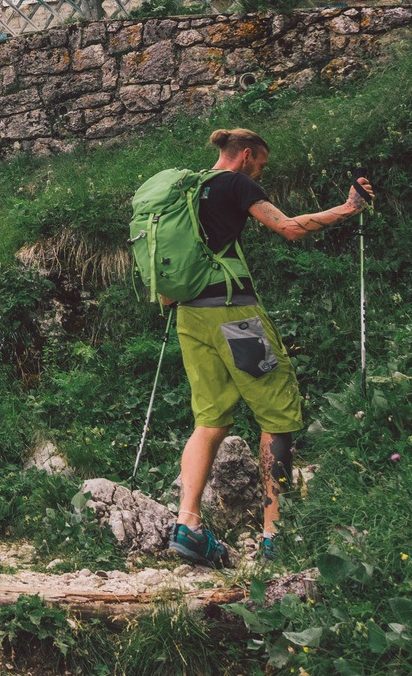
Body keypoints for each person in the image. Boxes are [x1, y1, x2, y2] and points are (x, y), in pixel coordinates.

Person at [167, 127, 372, 567]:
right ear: (244, 155)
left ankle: (189, 526)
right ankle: (274, 536)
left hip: (188, 315)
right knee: (277, 414)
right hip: (234, 316)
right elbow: (288, 228)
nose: (261, 171)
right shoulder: (235, 183)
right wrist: (349, 207)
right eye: (261, 163)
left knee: (209, 420)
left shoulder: (184, 191)